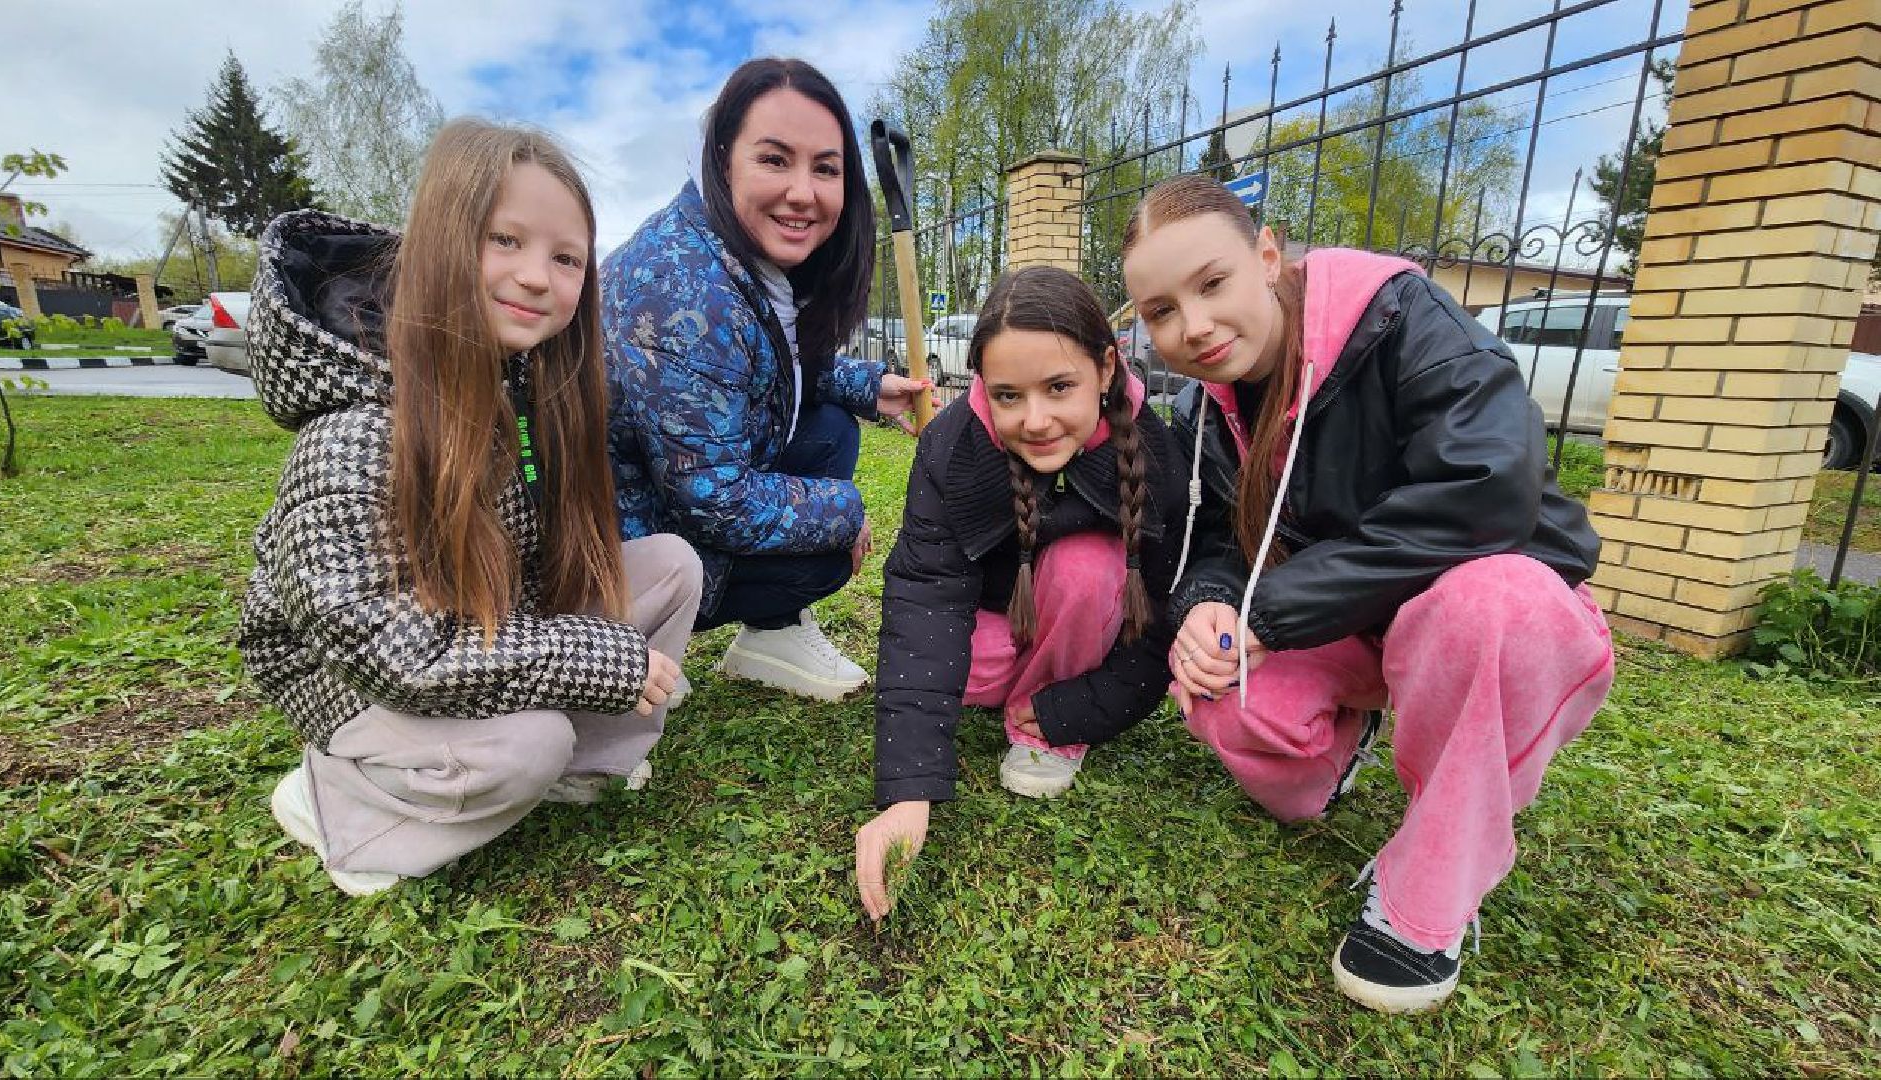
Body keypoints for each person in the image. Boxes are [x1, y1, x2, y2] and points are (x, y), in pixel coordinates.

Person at [1121, 174, 1615, 1013]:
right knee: (1219, 694)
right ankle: (1339, 753)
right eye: (1161, 311)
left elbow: (1487, 487)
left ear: (1268, 255)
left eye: (1212, 283)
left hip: (1475, 613)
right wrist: (1209, 601)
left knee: (1490, 608)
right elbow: (1213, 537)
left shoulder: (1401, 318)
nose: (1193, 327)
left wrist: (1272, 613)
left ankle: (1427, 894)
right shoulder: (1206, 407)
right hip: (1346, 623)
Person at [242, 119, 702, 897]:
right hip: (361, 680)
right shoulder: (353, 437)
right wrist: (597, 660)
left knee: (671, 568)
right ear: (441, 241)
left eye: (565, 258)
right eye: (505, 241)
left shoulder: (523, 385)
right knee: (525, 745)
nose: (535, 277)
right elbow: (392, 653)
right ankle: (337, 804)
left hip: (484, 617)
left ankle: (584, 764)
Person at [854, 266, 1189, 920]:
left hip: (1081, 622)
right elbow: (924, 598)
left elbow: (1165, 606)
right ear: (981, 385)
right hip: (993, 618)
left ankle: (1046, 726)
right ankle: (1017, 686)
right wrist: (908, 789)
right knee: (953, 671)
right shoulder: (952, 443)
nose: (1034, 420)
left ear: (1105, 368)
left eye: (1059, 387)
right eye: (1007, 395)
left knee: (1092, 570)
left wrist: (1084, 708)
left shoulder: (1154, 448)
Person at [601, 59, 929, 703]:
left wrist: (870, 386)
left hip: (658, 495)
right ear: (724, 159)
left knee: (830, 428)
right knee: (827, 548)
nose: (803, 192)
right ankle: (634, 635)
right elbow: (714, 500)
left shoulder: (736, 252)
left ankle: (769, 636)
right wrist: (847, 511)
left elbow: (771, 364)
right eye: (774, 160)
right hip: (618, 549)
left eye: (826, 168)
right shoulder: (685, 290)